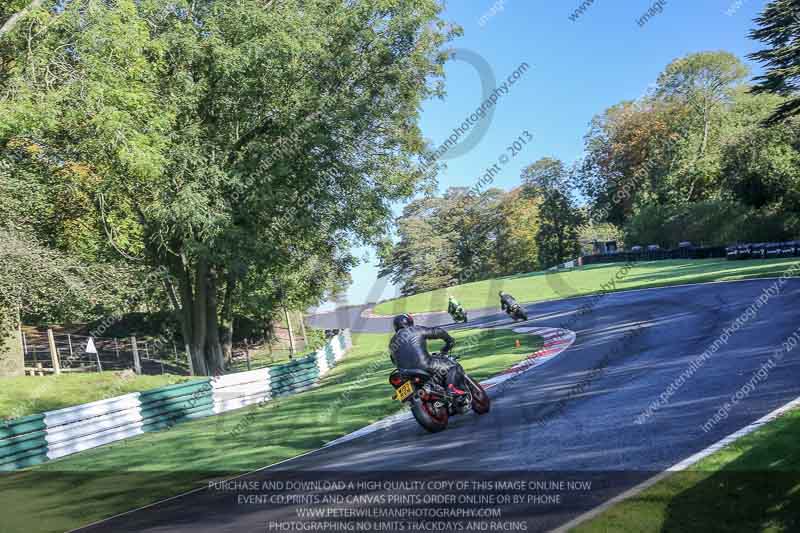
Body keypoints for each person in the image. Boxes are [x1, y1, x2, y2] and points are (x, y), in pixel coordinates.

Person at [389, 314, 468, 399]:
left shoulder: (392, 342)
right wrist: (450, 341)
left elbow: (394, 360)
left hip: (405, 374)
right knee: (452, 366)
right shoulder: (415, 329)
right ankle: (451, 389)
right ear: (409, 322)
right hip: (424, 365)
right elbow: (437, 332)